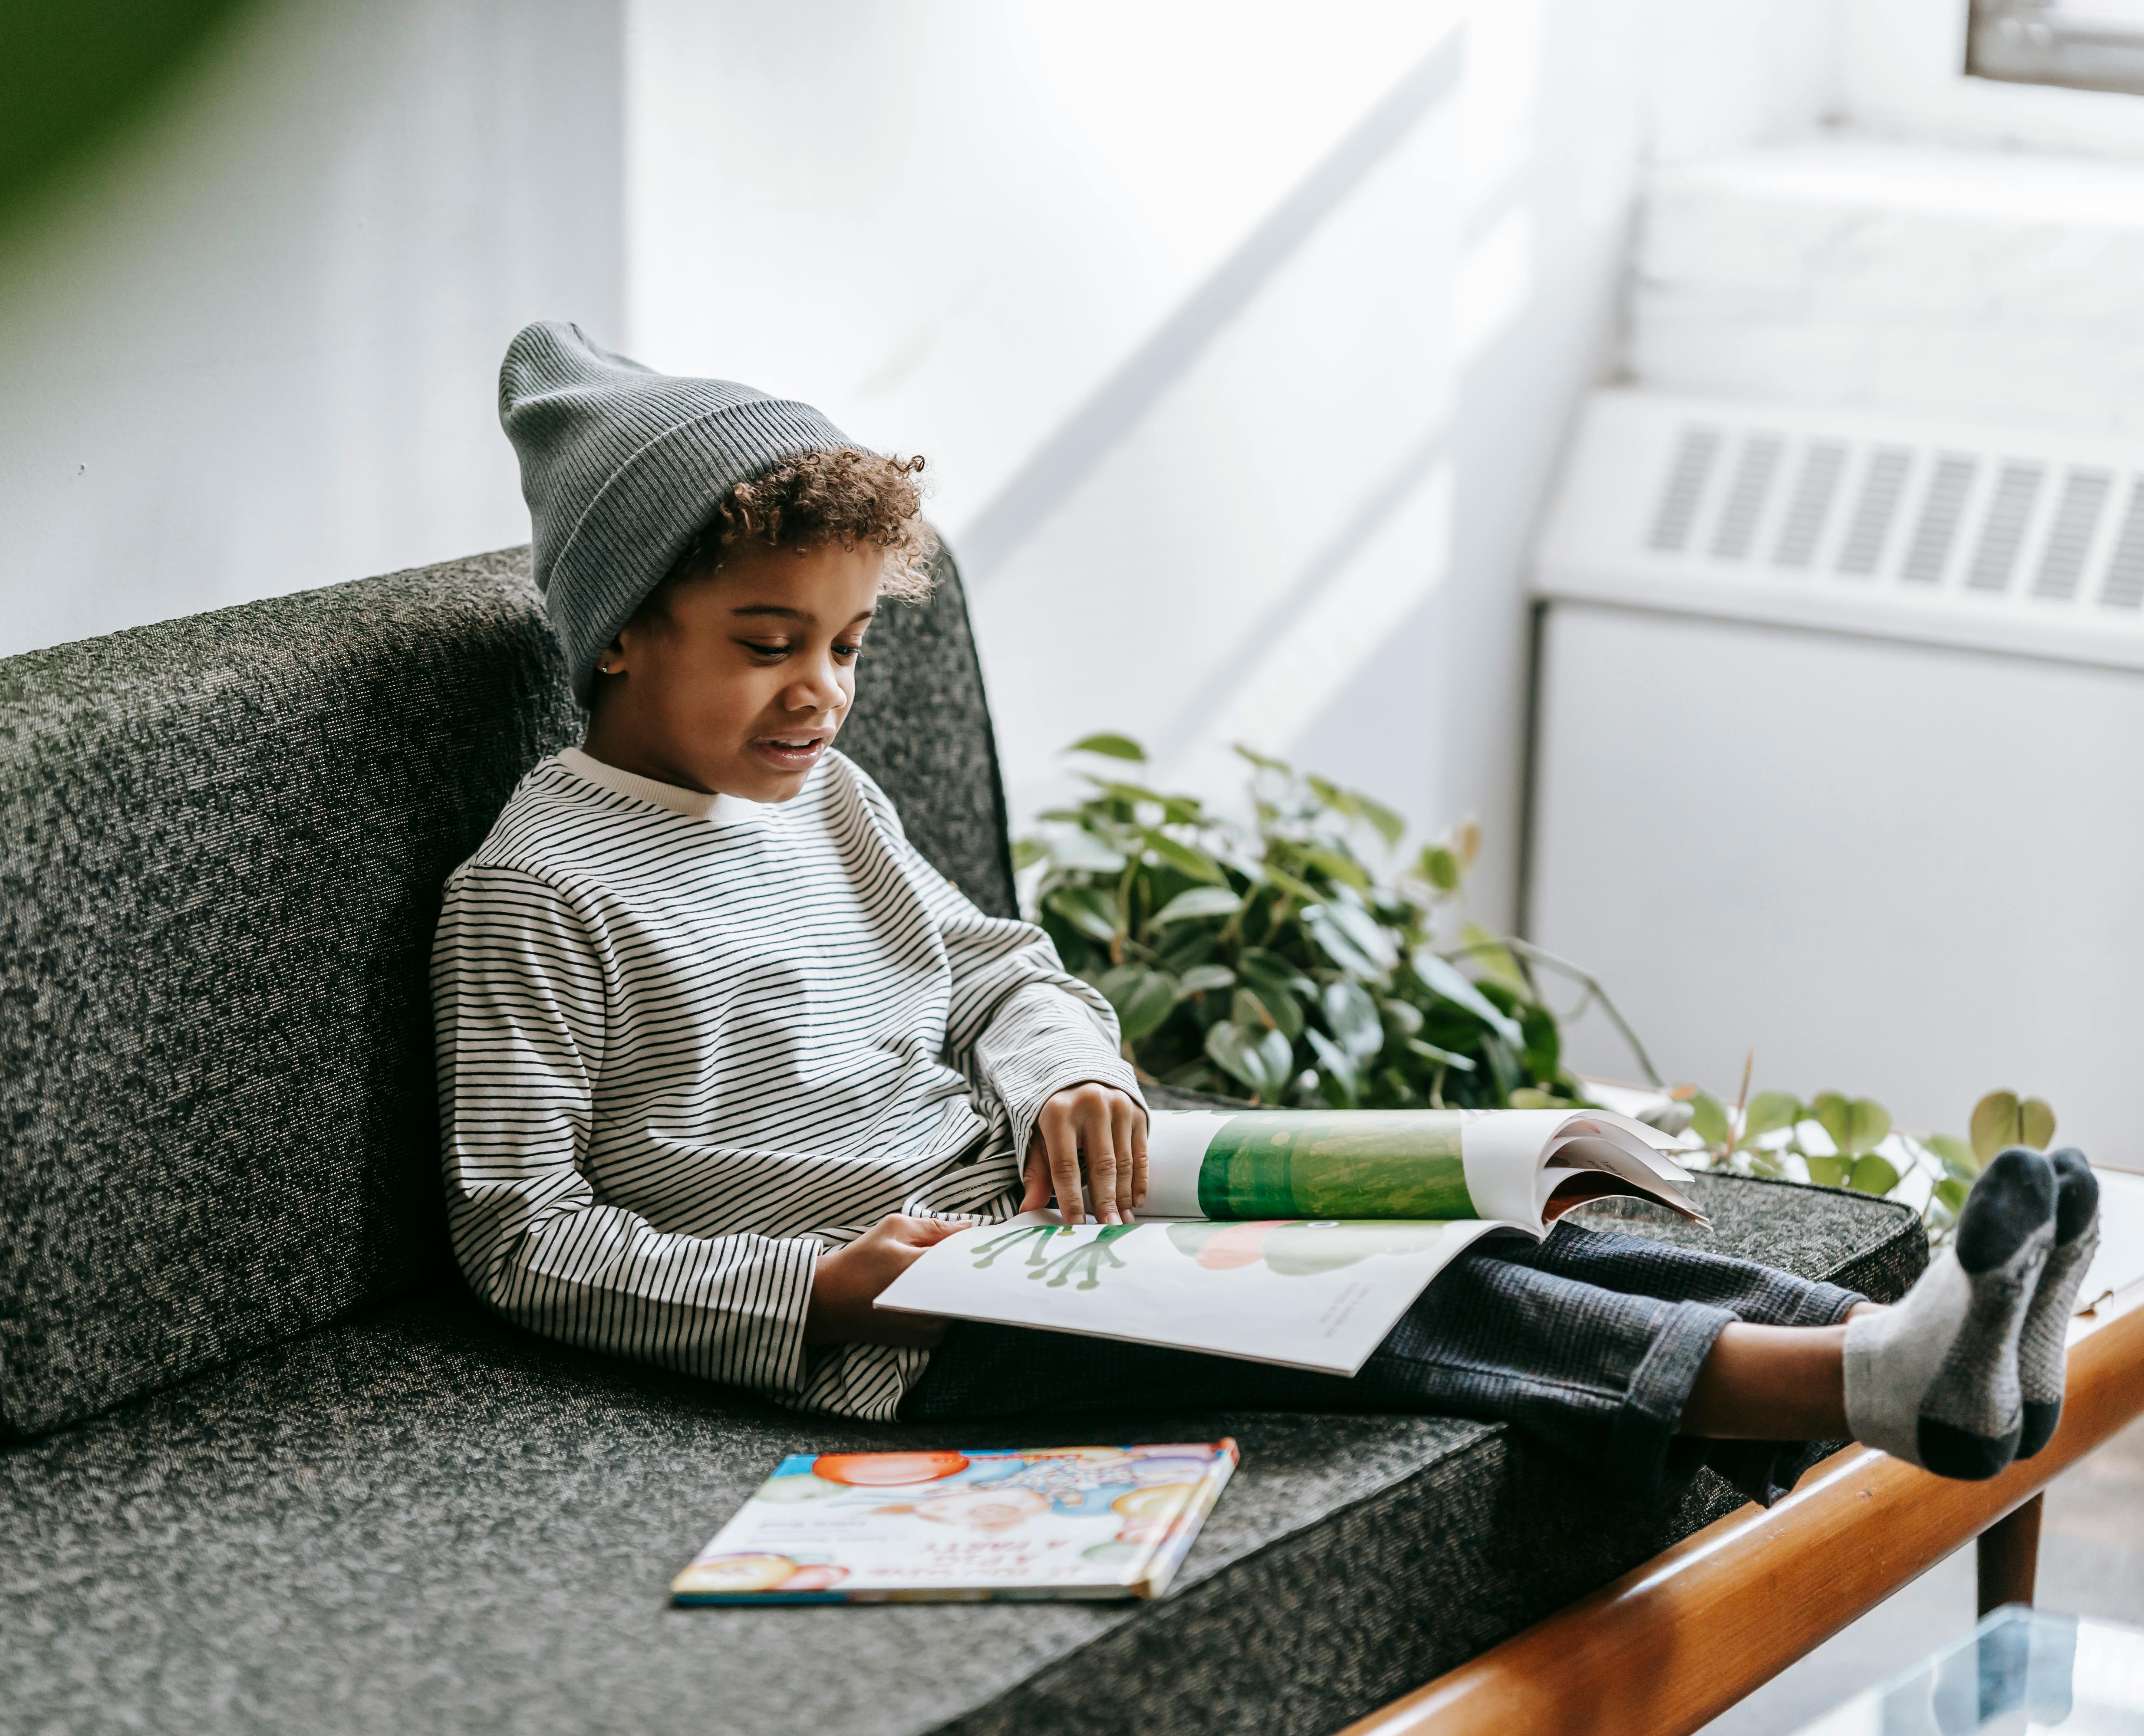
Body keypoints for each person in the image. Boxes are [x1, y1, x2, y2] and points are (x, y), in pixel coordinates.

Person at [433, 322, 2099, 1506]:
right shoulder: (536, 893)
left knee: (1499, 1215)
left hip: (1055, 1195)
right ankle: (1867, 1390)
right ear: (619, 639)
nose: (824, 693)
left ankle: (1926, 1338)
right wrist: (824, 1284)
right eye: (768, 641)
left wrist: (1063, 1076)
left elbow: (1000, 970)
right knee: (1389, 1300)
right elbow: (523, 1239)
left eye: (850, 644)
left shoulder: (831, 808)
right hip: (912, 1323)